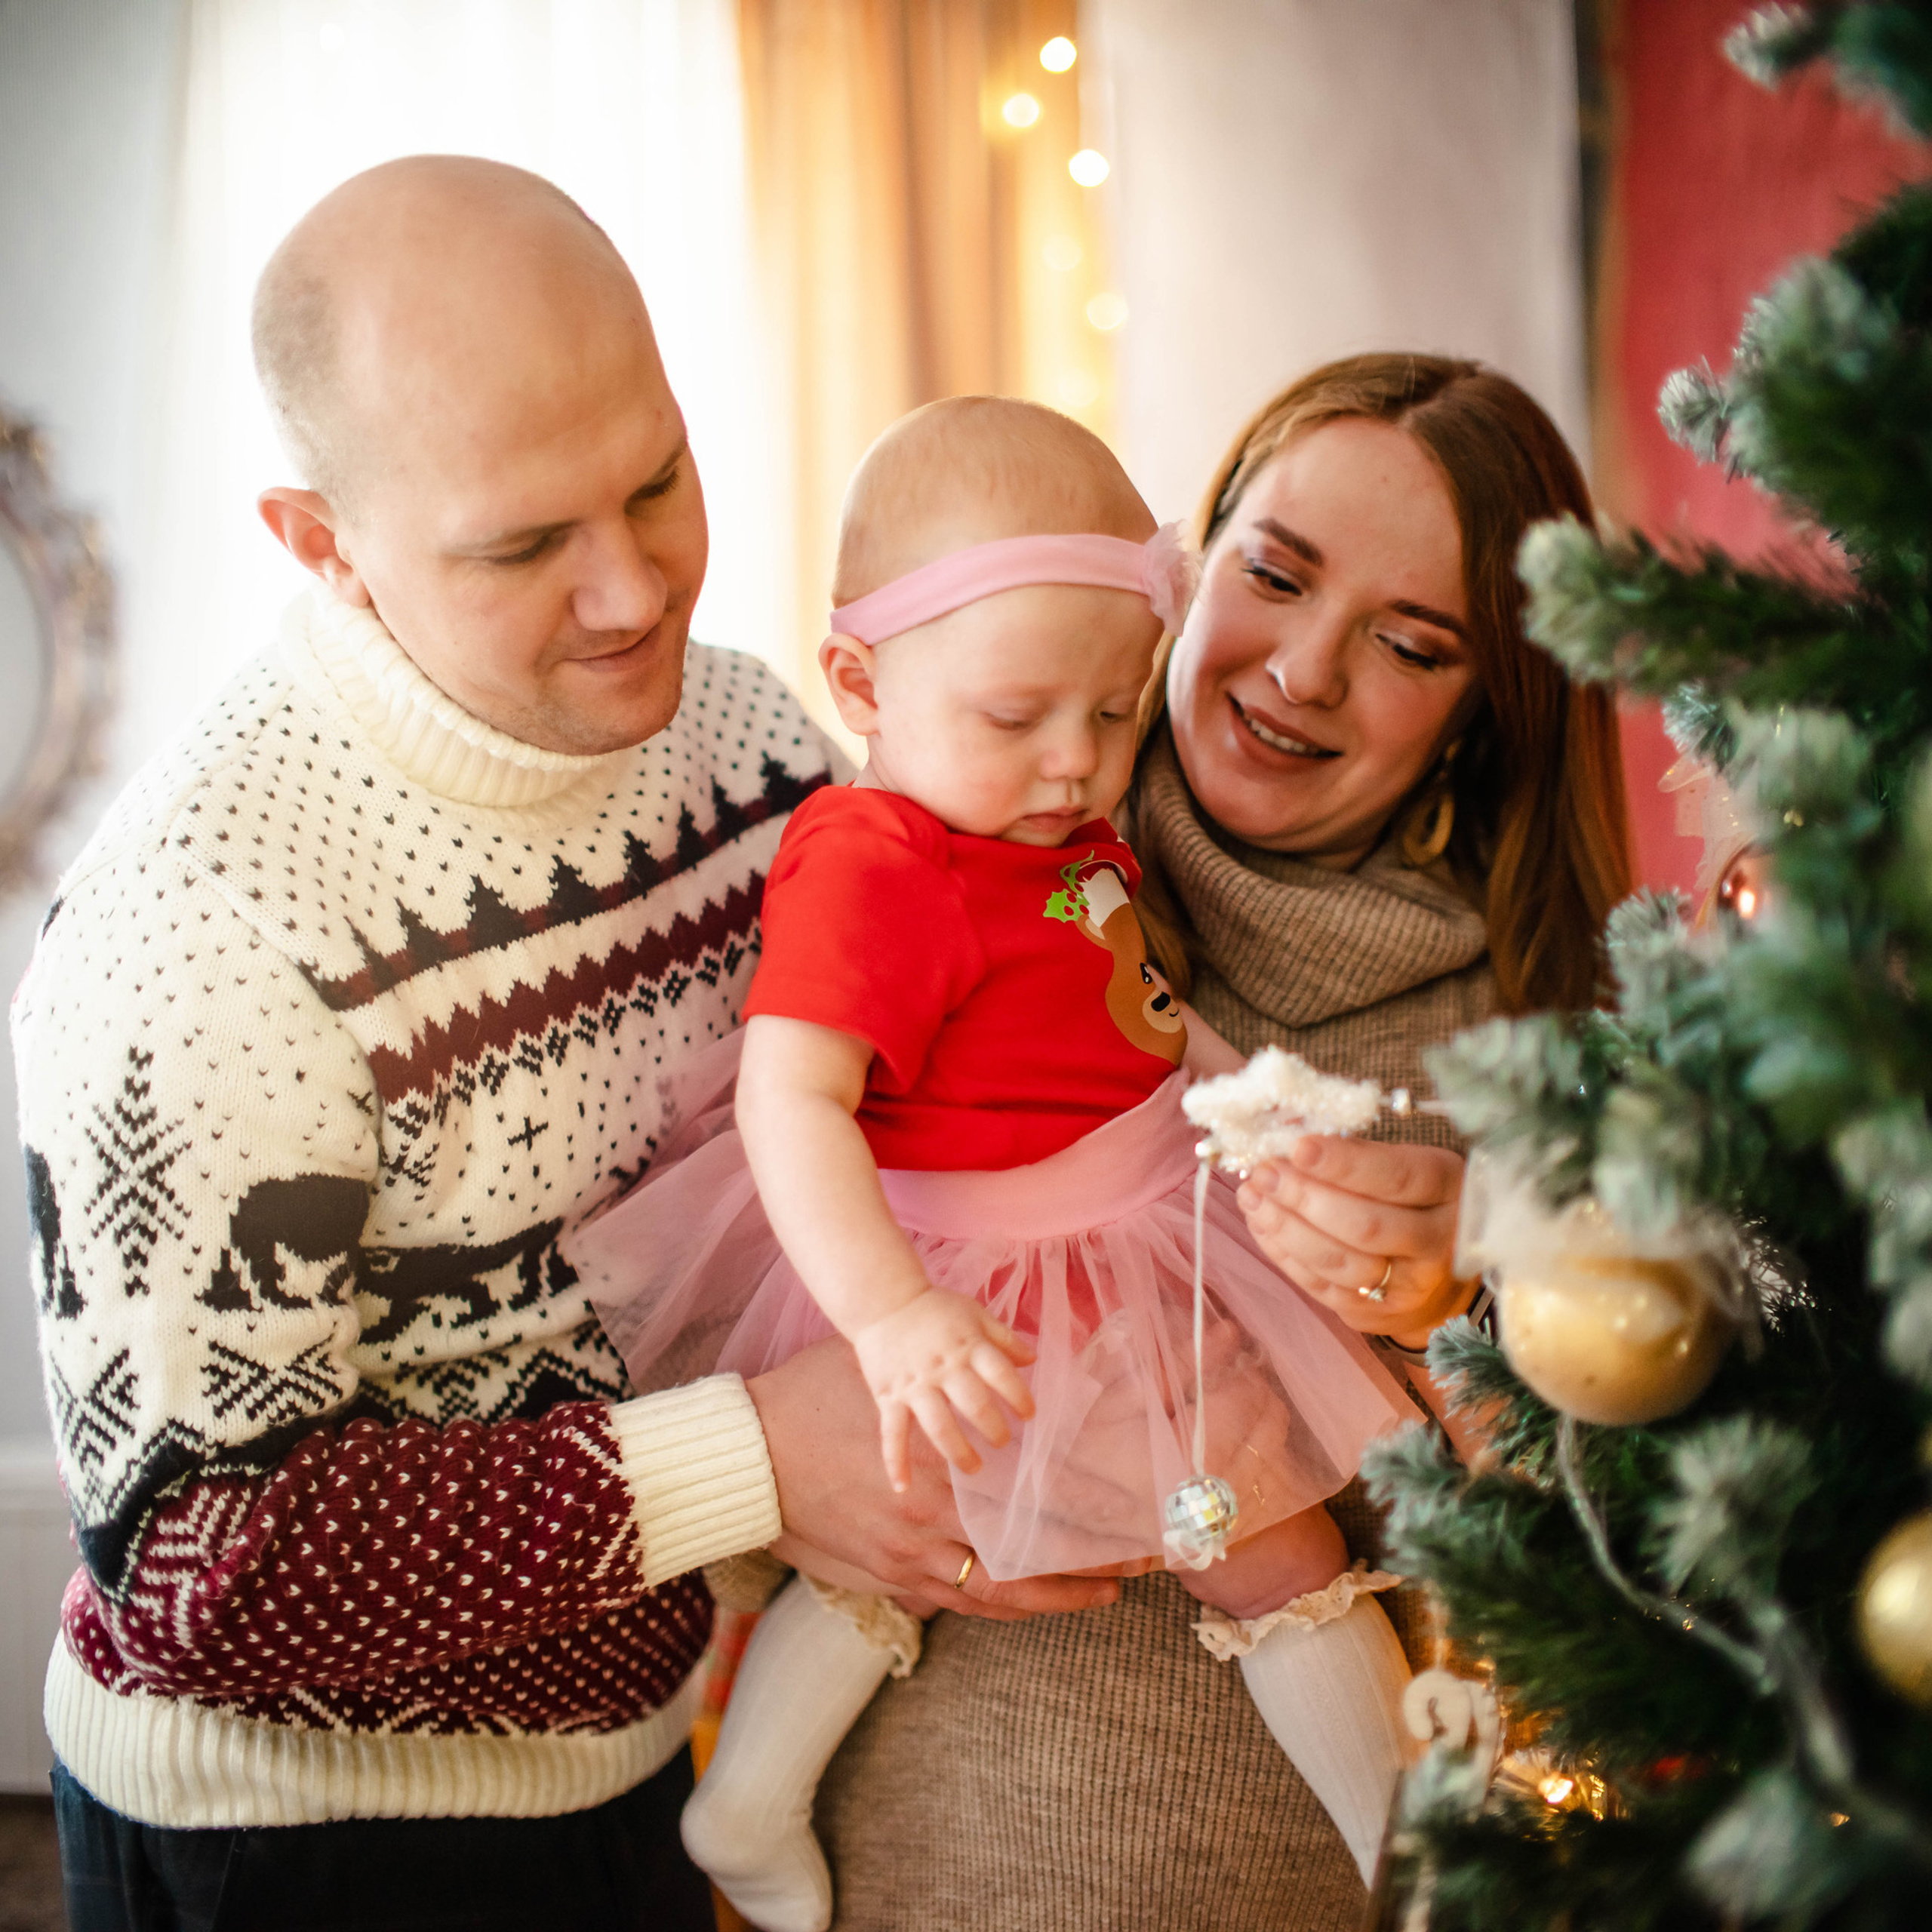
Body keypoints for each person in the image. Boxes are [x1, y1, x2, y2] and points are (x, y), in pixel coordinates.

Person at [12, 156, 1116, 1932]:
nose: (633, 592)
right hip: (291, 1835)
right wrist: (757, 1459)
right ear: (324, 545)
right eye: (525, 545)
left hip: (638, 1755)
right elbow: (191, 1563)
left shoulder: (758, 745)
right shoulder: (199, 926)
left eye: (657, 480)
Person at [567, 397, 1420, 1930]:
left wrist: (1261, 1103)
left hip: (1127, 1208)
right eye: (1016, 714)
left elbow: (1136, 1024)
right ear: (857, 682)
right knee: (1261, 1547)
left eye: (1108, 712)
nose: (1072, 761)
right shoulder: (877, 854)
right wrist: (889, 1320)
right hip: (978, 1273)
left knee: (905, 1553)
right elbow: (789, 1102)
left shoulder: (1059, 829)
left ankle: (746, 1795)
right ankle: (1410, 1853)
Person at [814, 355, 1634, 1930]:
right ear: (1181, 570)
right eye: (1270, 574)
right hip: (913, 1864)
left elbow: (1639, 1579)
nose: (1302, 670)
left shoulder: (1546, 1051)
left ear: (1483, 710)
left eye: (1407, 644)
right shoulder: (914, 865)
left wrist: (1471, 1303)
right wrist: (796, 1481)